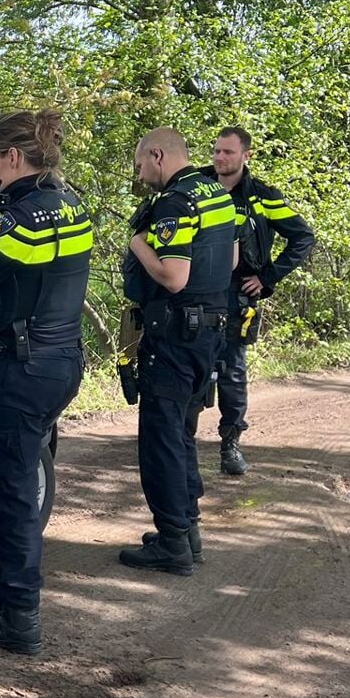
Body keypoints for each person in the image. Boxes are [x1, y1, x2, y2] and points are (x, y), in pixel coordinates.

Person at [0, 111, 92, 655]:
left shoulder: (17, 221)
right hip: (61, 359)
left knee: (8, 490)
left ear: (13, 157)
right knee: (19, 473)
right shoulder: (69, 203)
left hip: (19, 367)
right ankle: (12, 586)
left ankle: (20, 618)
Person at [118, 127, 236, 575]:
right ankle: (186, 530)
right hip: (208, 334)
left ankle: (172, 544)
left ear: (157, 154)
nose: (141, 173)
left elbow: (173, 277)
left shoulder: (175, 202)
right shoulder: (217, 194)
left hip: (174, 336)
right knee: (182, 434)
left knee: (161, 439)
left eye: (141, 164)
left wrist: (139, 245)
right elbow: (229, 261)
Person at [210, 126, 316, 476]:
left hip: (238, 294)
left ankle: (231, 442)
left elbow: (302, 238)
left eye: (228, 152)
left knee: (232, 368)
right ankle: (179, 439)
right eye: (217, 151)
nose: (220, 158)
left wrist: (268, 277)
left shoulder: (262, 196)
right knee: (187, 363)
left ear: (245, 155)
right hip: (194, 290)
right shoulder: (198, 186)